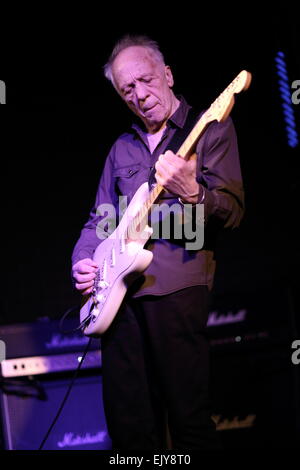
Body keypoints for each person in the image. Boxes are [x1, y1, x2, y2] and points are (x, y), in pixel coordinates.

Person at [71, 34, 244, 450]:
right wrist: (82, 260)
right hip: (120, 300)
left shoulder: (210, 129)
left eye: (146, 80)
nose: (140, 95)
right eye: (127, 89)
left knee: (188, 421)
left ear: (167, 74)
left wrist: (193, 192)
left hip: (178, 292)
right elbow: (99, 219)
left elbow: (233, 211)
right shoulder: (121, 148)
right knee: (130, 428)